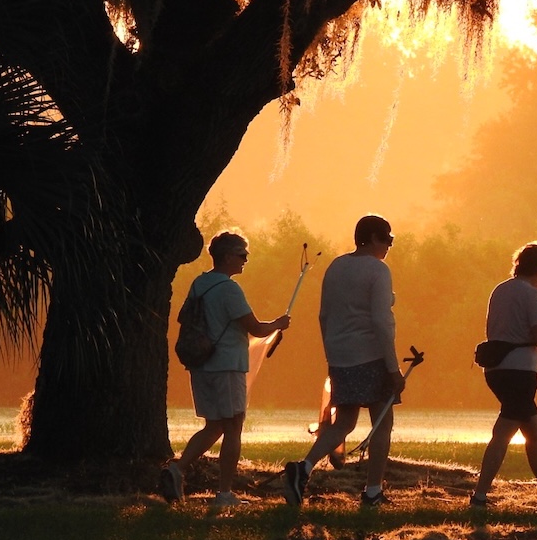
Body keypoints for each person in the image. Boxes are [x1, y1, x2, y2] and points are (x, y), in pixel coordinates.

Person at [161, 230, 291, 506]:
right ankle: (224, 493)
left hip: (201, 364)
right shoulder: (229, 289)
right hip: (227, 365)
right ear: (228, 256)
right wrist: (277, 325)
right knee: (233, 426)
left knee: (214, 425)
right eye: (242, 254)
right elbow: (254, 327)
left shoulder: (200, 283)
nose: (246, 259)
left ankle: (177, 469)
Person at [284, 214, 406, 508]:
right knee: (382, 425)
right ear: (375, 238)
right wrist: (393, 368)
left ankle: (304, 468)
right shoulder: (378, 270)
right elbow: (380, 321)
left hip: (341, 356)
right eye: (388, 239)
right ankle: (373, 491)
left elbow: (324, 315)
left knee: (344, 423)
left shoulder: (337, 266)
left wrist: (332, 354)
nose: (389, 245)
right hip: (372, 356)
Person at [471, 242, 537, 508]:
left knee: (534, 432)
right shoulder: (531, 294)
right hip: (520, 372)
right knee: (504, 431)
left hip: (496, 369)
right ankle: (479, 496)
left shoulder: (500, 290)